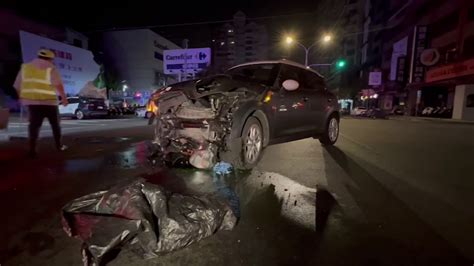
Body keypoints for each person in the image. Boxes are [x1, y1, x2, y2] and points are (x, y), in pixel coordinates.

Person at [13, 49, 68, 157]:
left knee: (34, 126)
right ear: (51, 58)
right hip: (49, 102)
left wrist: (21, 97)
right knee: (55, 125)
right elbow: (58, 84)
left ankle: (32, 151)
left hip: (32, 103)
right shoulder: (51, 68)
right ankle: (59, 146)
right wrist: (64, 98)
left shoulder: (25, 68)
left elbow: (17, 85)